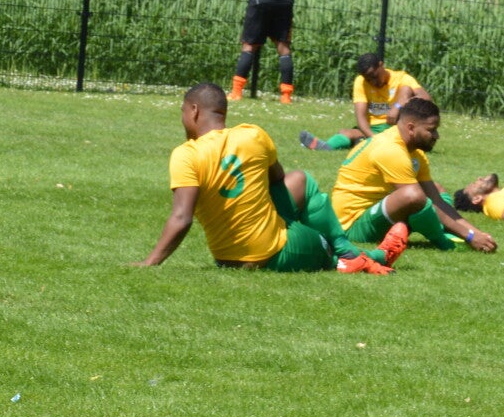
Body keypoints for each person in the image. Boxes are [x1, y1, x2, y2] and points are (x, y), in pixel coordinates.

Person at [133, 82, 393, 274]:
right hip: (274, 254)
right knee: (305, 185)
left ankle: (349, 251)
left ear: (193, 110)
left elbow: (182, 217)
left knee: (298, 180)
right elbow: (276, 178)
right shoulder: (252, 135)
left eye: (182, 112)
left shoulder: (186, 155)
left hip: (227, 260)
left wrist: (149, 262)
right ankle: (356, 253)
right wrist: (150, 263)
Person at [328, 97, 496, 254]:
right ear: (411, 128)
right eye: (431, 130)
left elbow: (435, 200)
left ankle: (450, 230)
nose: (436, 136)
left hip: (376, 212)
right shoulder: (390, 150)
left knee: (434, 190)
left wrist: (476, 232)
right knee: (413, 196)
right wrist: (469, 236)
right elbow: (416, 199)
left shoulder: (414, 152)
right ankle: (445, 242)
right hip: (352, 225)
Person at [297, 53, 428, 151]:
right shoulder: (361, 82)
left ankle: (362, 142)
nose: (372, 82)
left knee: (406, 90)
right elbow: (361, 119)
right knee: (346, 133)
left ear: (381, 65)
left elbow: (426, 98)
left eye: (374, 76)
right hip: (374, 128)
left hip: (395, 127)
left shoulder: (401, 78)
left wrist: (398, 105)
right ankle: (326, 147)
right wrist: (375, 139)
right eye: (368, 79)